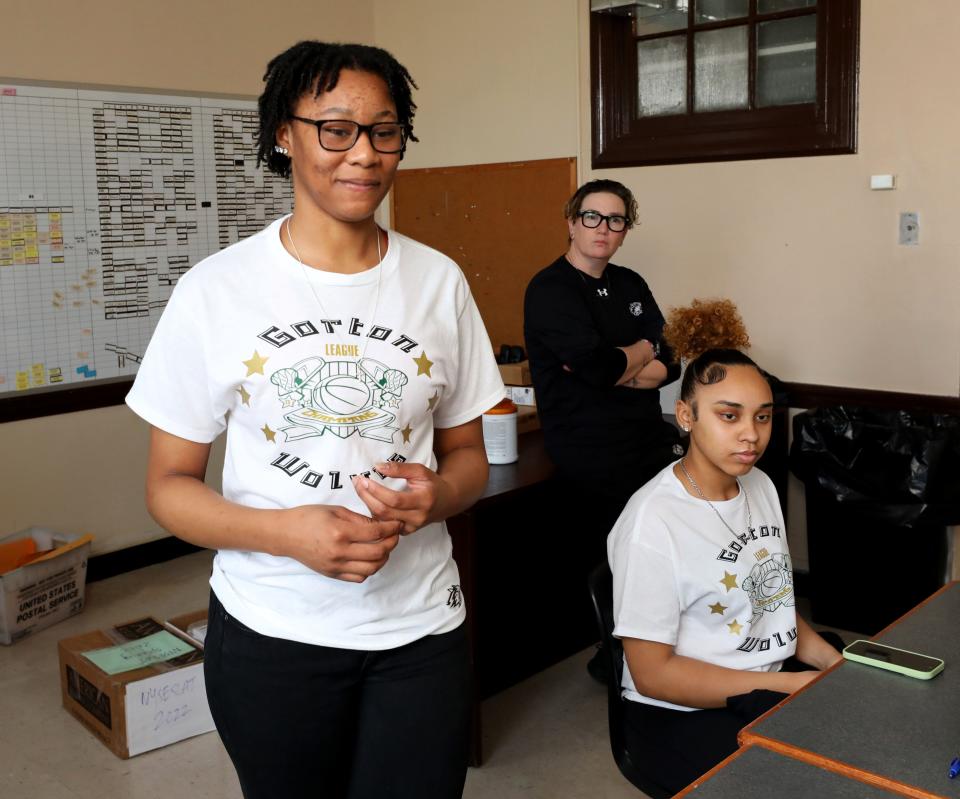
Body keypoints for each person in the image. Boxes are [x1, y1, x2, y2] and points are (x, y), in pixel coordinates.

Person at [126, 41, 504, 799]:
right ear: (284, 135)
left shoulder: (438, 280)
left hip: (420, 631)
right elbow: (168, 486)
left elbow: (468, 452)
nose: (363, 154)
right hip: (272, 632)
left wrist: (440, 494)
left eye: (384, 130)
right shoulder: (216, 290)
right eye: (336, 129)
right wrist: (288, 533)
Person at [608, 349, 842, 794]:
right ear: (686, 415)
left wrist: (833, 664)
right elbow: (653, 674)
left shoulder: (760, 484)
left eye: (763, 417)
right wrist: (787, 685)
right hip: (682, 713)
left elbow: (771, 604)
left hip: (768, 681)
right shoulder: (652, 522)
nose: (750, 435)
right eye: (729, 416)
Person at [523, 179, 683, 680]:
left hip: (646, 441)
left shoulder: (631, 283)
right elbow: (593, 370)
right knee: (615, 558)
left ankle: (653, 654)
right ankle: (615, 659)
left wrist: (624, 364)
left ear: (624, 232)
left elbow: (672, 359)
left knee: (659, 552)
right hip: (588, 449)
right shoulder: (550, 289)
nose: (602, 229)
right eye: (592, 217)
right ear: (572, 222)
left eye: (615, 221)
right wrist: (640, 353)